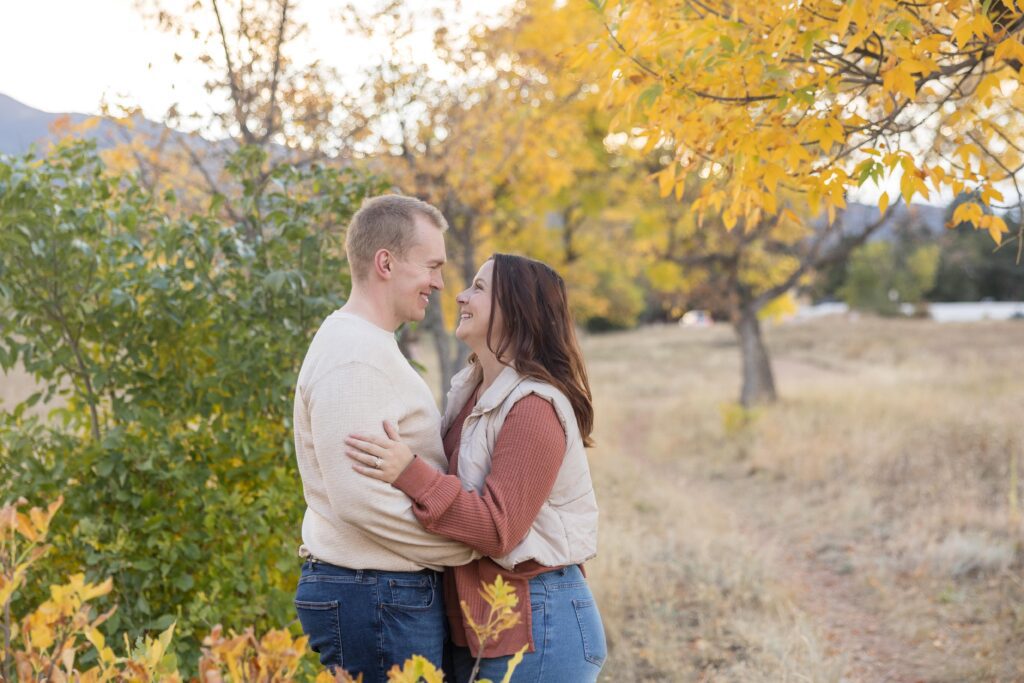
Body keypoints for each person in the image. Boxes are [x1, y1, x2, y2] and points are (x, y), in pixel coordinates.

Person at [345, 253, 607, 682]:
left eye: (479, 288)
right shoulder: (471, 394)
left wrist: (409, 472)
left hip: (538, 623)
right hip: (484, 622)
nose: (461, 295)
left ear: (517, 310)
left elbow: (500, 528)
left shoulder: (534, 406)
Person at [292, 194, 477, 682]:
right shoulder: (354, 355)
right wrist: (463, 550)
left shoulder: (368, 345)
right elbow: (360, 499)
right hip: (375, 595)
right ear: (386, 263)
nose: (439, 283)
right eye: (431, 266)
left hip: (382, 593)